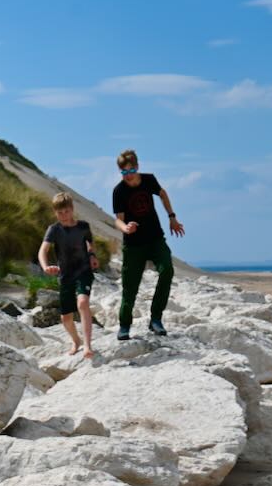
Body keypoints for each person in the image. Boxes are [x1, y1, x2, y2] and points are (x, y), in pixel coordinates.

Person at [112, 149, 185, 341]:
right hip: (133, 245)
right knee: (130, 287)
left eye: (131, 170)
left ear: (138, 167)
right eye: (124, 172)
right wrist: (125, 228)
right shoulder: (119, 191)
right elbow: (117, 220)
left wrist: (172, 217)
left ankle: (155, 319)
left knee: (167, 270)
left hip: (155, 239)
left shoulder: (149, 179)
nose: (128, 175)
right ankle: (125, 325)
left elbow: (162, 194)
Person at [38, 192, 99, 358]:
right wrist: (45, 267)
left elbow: (90, 243)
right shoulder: (54, 230)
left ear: (72, 209)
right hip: (65, 275)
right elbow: (43, 251)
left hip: (84, 271)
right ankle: (76, 341)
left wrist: (92, 255)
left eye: (66, 211)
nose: (63, 216)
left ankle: (87, 346)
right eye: (59, 213)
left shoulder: (83, 226)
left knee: (83, 302)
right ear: (55, 212)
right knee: (66, 318)